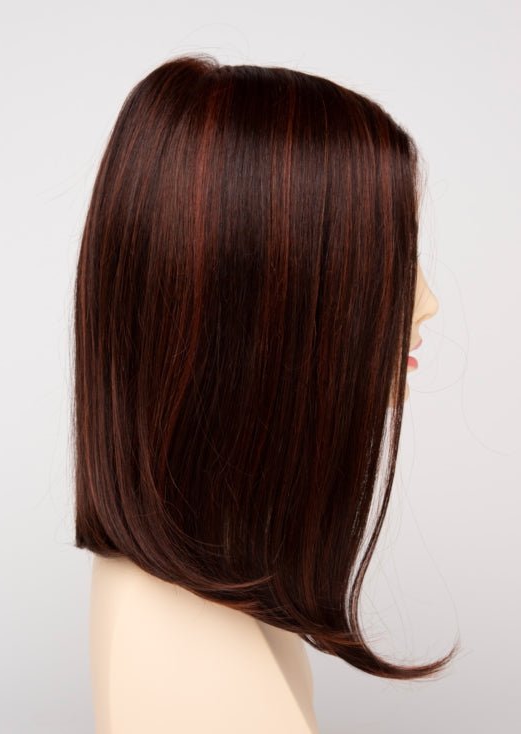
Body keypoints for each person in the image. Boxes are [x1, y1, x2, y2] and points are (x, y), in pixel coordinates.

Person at [72, 53, 459, 733]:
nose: (426, 301)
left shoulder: (218, 593)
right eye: (390, 257)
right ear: (264, 299)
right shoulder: (185, 655)